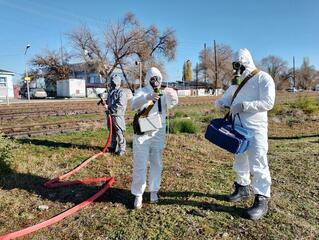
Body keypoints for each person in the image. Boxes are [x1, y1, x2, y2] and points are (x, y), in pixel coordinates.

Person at [215, 48, 276, 220]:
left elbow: (268, 102)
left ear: (245, 62)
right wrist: (220, 104)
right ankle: (242, 188)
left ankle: (262, 197)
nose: (236, 68)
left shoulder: (263, 78)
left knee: (258, 161)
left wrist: (244, 106)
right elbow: (225, 100)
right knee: (240, 159)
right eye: (234, 65)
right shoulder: (236, 83)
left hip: (256, 129)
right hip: (237, 128)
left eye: (238, 65)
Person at [131, 67, 178, 209]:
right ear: (147, 79)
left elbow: (172, 104)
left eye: (157, 78)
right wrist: (147, 97)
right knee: (140, 163)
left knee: (157, 162)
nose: (155, 81)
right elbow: (133, 104)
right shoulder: (142, 91)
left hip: (158, 131)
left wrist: (172, 95)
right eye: (152, 78)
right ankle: (138, 194)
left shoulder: (163, 93)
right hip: (143, 132)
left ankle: (154, 191)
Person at [104, 74, 127, 156]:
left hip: (118, 115)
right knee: (112, 132)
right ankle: (113, 147)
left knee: (119, 132)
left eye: (113, 81)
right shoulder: (111, 91)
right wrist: (106, 103)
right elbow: (109, 102)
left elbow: (121, 105)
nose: (112, 83)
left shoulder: (121, 92)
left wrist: (110, 108)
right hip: (110, 115)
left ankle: (122, 149)